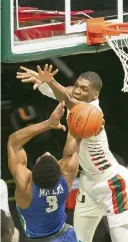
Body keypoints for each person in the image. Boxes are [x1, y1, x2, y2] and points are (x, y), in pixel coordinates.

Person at [16, 64, 128, 242]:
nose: (79, 91)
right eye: (77, 85)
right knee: (77, 239)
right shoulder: (74, 95)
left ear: (95, 95)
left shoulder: (93, 112)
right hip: (88, 182)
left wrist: (51, 81)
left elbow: (68, 101)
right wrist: (43, 83)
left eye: (84, 89)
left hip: (113, 183)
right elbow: (63, 94)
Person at [7, 101, 81, 242]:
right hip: (66, 237)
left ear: (32, 175)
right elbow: (72, 149)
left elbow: (13, 142)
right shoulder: (67, 175)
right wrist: (75, 114)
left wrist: (48, 123)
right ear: (59, 172)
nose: (47, 152)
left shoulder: (25, 187)